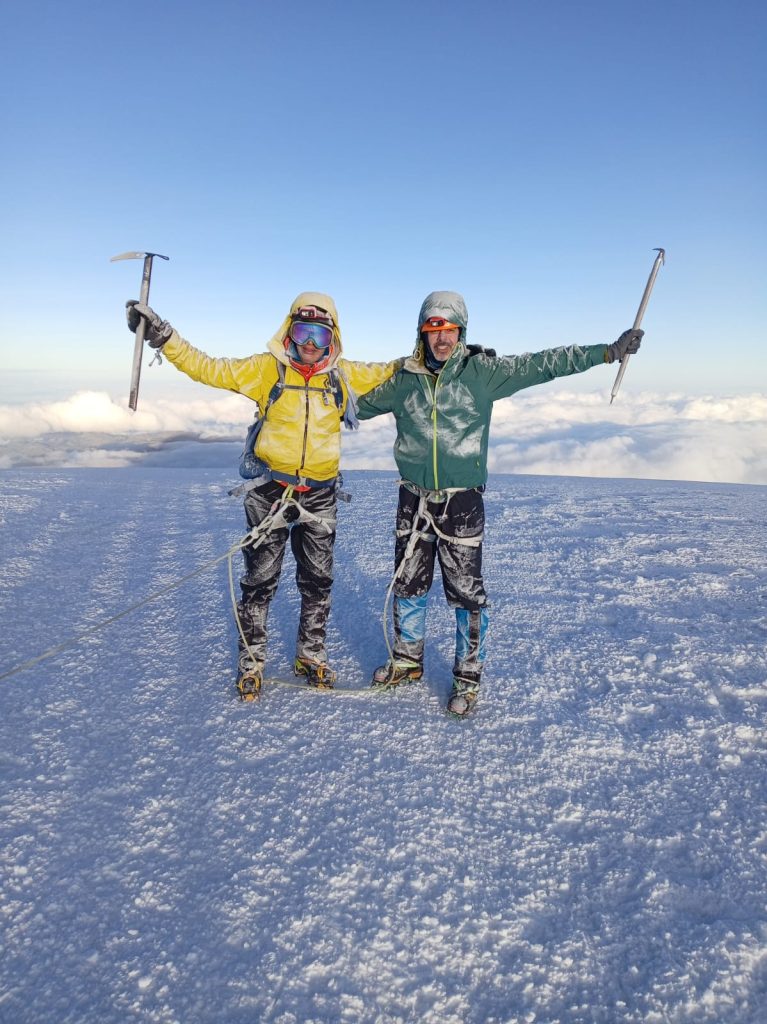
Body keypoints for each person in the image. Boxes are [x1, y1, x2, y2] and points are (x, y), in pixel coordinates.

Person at [355, 290, 643, 718]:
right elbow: (350, 407)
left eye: (449, 329)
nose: (442, 339)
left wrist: (606, 352)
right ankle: (407, 661)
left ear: (461, 332)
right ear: (422, 331)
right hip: (412, 500)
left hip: (462, 502)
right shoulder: (403, 379)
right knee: (409, 585)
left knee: (467, 595)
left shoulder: (482, 374)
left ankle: (467, 678)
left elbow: (545, 364)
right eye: (434, 329)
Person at [126, 292, 402, 699]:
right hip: (270, 492)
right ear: (289, 331)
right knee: (259, 580)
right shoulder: (266, 370)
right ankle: (251, 661)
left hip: (321, 495)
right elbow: (208, 368)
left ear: (333, 338)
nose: (310, 344)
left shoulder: (343, 376)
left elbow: (398, 369)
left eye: (320, 336)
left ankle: (311, 655)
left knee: (318, 582)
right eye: (303, 332)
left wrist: (447, 356)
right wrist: (163, 336)